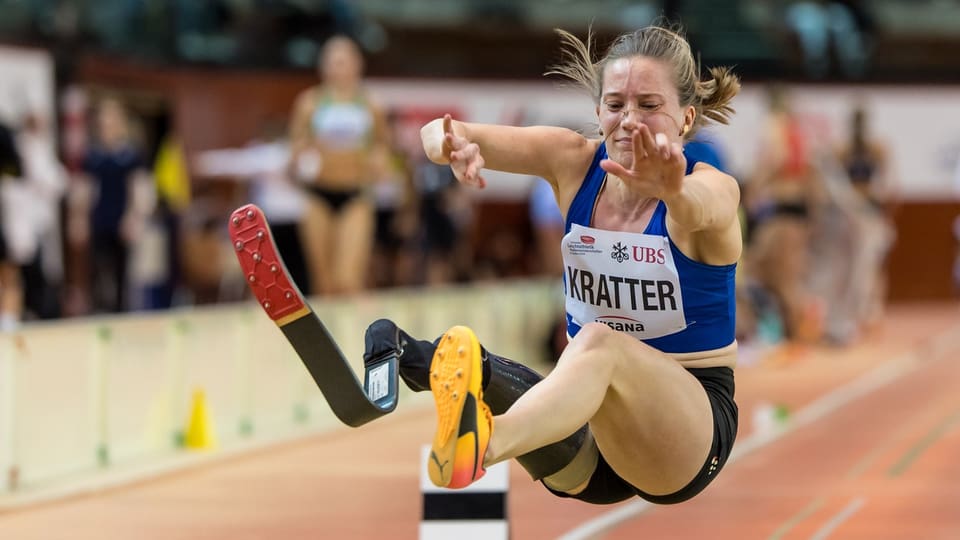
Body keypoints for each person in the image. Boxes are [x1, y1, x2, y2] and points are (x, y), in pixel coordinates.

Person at [363, 23, 741, 504]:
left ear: (686, 119)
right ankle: (410, 358)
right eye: (615, 105)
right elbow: (437, 132)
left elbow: (702, 207)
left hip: (686, 436)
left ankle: (483, 445)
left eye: (648, 106)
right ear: (598, 111)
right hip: (589, 444)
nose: (628, 120)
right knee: (482, 362)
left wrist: (672, 189)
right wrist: (453, 147)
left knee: (603, 339)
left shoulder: (710, 185)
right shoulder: (572, 162)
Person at [287, 35, 390, 295]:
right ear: (323, 67)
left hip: (355, 196)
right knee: (323, 283)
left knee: (347, 280)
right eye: (333, 62)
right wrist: (299, 156)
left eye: (343, 62)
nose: (338, 69)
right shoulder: (309, 103)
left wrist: (379, 161)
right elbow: (294, 149)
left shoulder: (371, 105)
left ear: (358, 65)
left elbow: (383, 145)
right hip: (318, 195)